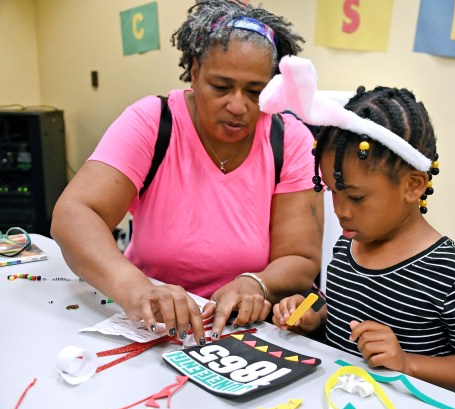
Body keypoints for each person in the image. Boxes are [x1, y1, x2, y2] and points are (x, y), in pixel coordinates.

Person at [51, 1, 323, 346]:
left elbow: (301, 259)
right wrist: (135, 288)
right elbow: (74, 213)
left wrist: (257, 283)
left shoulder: (290, 140)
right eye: (221, 87)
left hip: (243, 334)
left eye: (255, 92)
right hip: (150, 325)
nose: (238, 106)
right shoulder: (153, 121)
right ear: (194, 71)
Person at [263, 56, 455, 391]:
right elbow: (342, 318)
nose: (340, 211)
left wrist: (407, 363)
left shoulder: (451, 271)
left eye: (357, 197)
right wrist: (312, 319)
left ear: (413, 185)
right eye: (333, 192)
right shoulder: (349, 244)